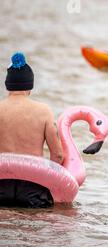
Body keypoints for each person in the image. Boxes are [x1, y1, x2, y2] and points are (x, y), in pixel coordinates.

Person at [0, 52, 64, 208]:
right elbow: (58, 154)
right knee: (33, 227)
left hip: (1, 184)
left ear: (8, 85)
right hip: (33, 186)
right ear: (30, 85)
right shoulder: (44, 111)